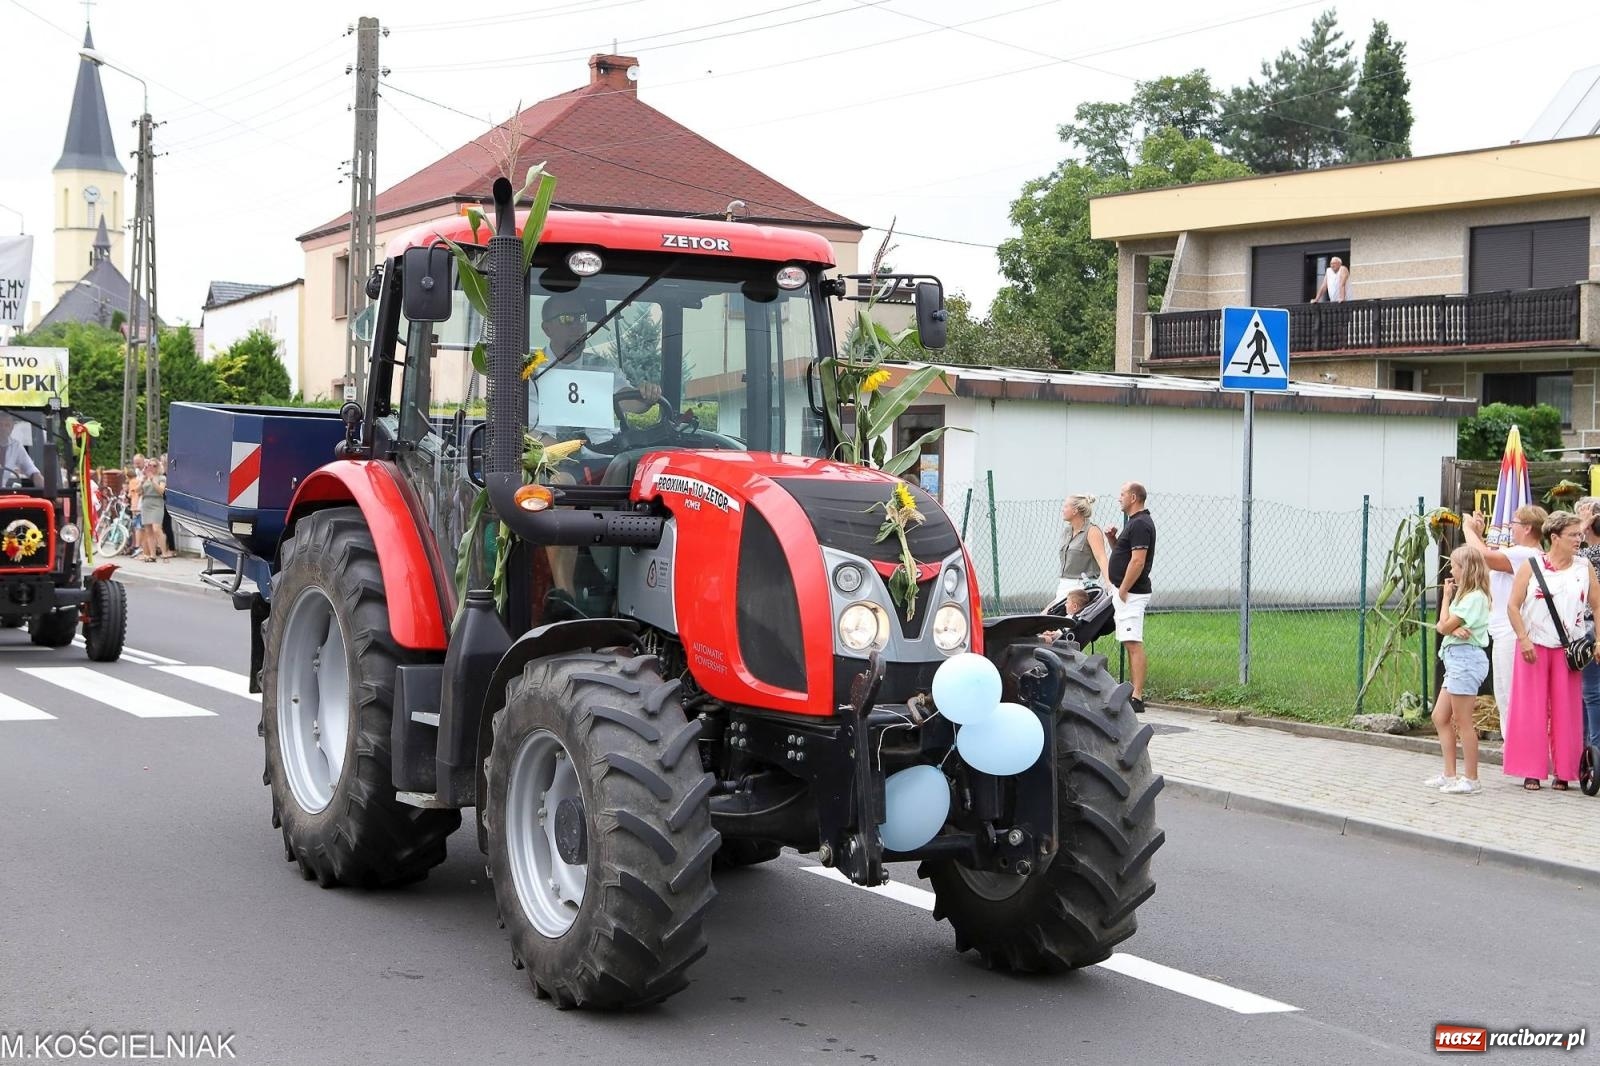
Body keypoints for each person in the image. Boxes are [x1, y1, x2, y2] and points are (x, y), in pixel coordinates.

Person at [1503, 511, 1600, 791]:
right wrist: (1523, 639)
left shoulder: (1584, 568)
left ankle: (1566, 771)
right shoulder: (1531, 566)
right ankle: (1530, 770)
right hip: (1534, 645)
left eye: (1579, 535)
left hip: (1569, 649)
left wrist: (1597, 642)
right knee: (1530, 709)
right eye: (1572, 535)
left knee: (1567, 711)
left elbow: (1597, 604)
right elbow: (1513, 605)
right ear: (1554, 538)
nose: (1578, 540)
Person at [1463, 504, 1546, 739]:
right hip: (1503, 632)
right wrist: (1478, 536)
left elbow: (1485, 556)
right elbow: (1489, 560)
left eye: (1515, 524)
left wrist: (1468, 529)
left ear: (1528, 528)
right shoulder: (1519, 554)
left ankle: (1519, 747)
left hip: (1512, 632)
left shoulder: (1527, 554)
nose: (1511, 529)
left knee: (1511, 694)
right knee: (1503, 694)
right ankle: (1514, 748)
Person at [1425, 546, 1493, 795]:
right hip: (1455, 660)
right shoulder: (1464, 597)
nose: (1451, 569)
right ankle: (1449, 774)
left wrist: (1448, 626)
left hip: (1466, 660)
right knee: (1440, 717)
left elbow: (1442, 626)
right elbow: (1444, 625)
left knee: (1463, 721)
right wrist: (1447, 600)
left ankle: (1472, 778)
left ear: (1465, 569)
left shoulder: (1475, 597)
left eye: (1454, 565)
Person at [1104, 482, 1155, 714]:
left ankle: (1137, 697)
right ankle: (1134, 693)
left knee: (1134, 643)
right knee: (1128, 641)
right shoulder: (1134, 523)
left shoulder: (1141, 524)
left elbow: (1137, 561)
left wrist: (1123, 589)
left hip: (1132, 594)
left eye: (1122, 494)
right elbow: (1125, 555)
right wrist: (1113, 541)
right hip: (1125, 592)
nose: (1119, 498)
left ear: (1133, 497)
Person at [1056, 493, 1110, 605]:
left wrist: (1110, 586)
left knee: (1072, 621)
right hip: (1064, 584)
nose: (1063, 510)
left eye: (1066, 506)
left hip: (1081, 587)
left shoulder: (1092, 531)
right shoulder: (1067, 531)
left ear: (1075, 511)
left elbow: (1101, 559)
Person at [0, 410, 45, 488]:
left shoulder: (16, 446)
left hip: (3, 494)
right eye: (0, 425)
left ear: (12, 427)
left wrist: (51, 492)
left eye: (7, 425)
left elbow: (32, 471)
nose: (3, 428)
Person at [137, 458, 167, 562]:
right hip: (146, 503)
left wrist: (152, 480)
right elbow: (138, 492)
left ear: (158, 467)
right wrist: (142, 481)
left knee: (157, 529)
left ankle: (164, 553)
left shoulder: (161, 478)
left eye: (155, 465)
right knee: (148, 531)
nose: (152, 467)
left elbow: (161, 491)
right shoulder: (145, 478)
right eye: (150, 465)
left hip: (157, 503)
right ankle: (152, 555)